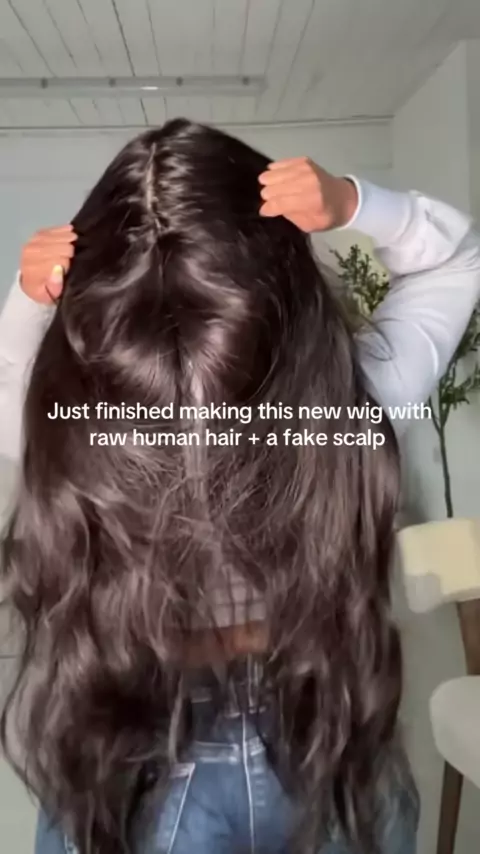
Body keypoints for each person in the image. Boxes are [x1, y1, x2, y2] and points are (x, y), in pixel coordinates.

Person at [0, 118, 479, 854]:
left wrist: (28, 300)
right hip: (325, 730)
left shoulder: (68, 434)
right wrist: (355, 203)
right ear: (284, 292)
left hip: (138, 746)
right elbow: (457, 259)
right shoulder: (347, 403)